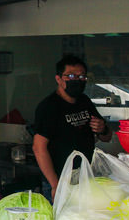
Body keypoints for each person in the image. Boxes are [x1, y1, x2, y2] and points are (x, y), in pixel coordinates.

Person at [33, 54, 112, 199]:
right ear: (59, 79)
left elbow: (106, 137)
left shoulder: (84, 101)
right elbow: (39, 148)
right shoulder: (49, 107)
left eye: (82, 77)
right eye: (71, 76)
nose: (77, 80)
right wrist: (55, 184)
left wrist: (103, 129)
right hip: (61, 178)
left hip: (86, 175)